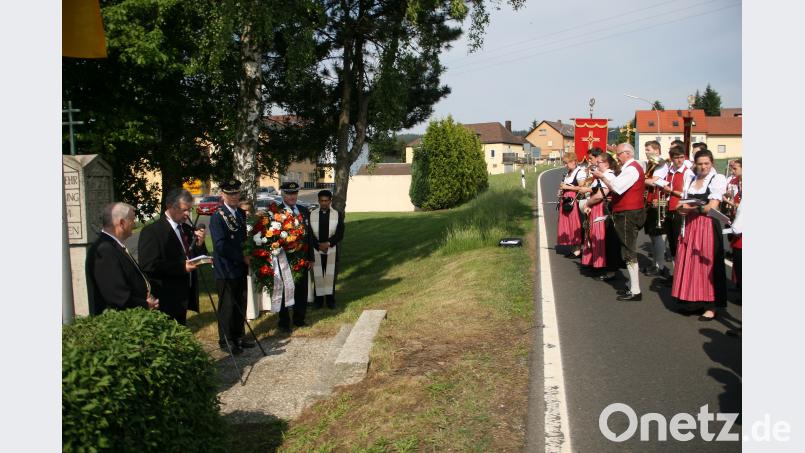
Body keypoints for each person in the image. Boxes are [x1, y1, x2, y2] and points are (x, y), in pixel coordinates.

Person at [671, 149, 728, 320]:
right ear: (695, 164)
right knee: (690, 262)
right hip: (690, 225)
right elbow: (682, 202)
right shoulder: (691, 177)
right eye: (700, 164)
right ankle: (693, 302)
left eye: (707, 164)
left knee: (707, 264)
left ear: (712, 164)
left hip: (707, 225)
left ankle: (711, 306)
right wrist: (682, 209)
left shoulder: (717, 179)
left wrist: (693, 208)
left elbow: (712, 206)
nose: (703, 167)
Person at [138, 189, 206, 325]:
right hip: (165, 297)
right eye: (184, 210)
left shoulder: (186, 229)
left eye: (189, 209)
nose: (187, 214)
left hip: (184, 295)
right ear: (170, 206)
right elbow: (148, 264)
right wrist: (181, 267)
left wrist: (199, 244)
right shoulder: (152, 231)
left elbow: (196, 254)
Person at [592, 143, 646, 301]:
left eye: (619, 154)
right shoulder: (631, 168)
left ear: (627, 153)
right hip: (627, 212)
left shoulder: (631, 169)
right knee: (626, 248)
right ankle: (632, 285)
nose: (617, 157)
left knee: (628, 250)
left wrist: (602, 176)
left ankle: (635, 290)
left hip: (628, 213)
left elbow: (617, 187)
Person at [87, 202, 159, 314]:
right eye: (132, 220)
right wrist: (145, 305)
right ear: (122, 223)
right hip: (118, 323)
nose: (134, 223)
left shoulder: (113, 245)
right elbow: (116, 295)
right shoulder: (105, 250)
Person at [209, 180, 254, 353]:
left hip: (240, 267)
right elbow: (220, 245)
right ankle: (226, 340)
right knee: (227, 306)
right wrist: (241, 257)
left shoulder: (240, 214)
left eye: (236, 193)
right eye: (230, 194)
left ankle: (239, 337)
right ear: (223, 195)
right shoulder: (218, 217)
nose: (234, 197)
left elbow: (243, 239)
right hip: (226, 268)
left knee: (240, 303)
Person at [275, 181, 312, 332]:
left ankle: (299, 319)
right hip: (284, 259)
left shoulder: (303, 210)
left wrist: (310, 257)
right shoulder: (276, 211)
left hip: (302, 257)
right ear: (283, 194)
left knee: (301, 289)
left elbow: (309, 236)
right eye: (289, 194)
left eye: (295, 193)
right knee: (284, 290)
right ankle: (284, 322)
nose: (292, 196)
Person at [580, 152, 624, 279]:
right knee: (593, 234)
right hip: (597, 207)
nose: (596, 164)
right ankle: (595, 262)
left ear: (606, 163)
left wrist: (587, 203)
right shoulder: (602, 175)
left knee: (600, 235)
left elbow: (600, 195)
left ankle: (601, 265)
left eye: (598, 162)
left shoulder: (608, 175)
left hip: (602, 208)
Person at [658, 146, 694, 276]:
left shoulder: (688, 172)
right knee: (673, 244)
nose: (679, 160)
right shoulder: (670, 171)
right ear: (671, 158)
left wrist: (671, 191)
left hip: (679, 210)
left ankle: (682, 275)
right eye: (676, 158)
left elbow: (688, 194)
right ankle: (676, 275)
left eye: (681, 157)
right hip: (669, 209)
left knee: (680, 243)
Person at [307, 190, 345, 309]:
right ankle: (318, 302)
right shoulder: (311, 214)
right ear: (318, 201)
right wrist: (318, 245)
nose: (324, 203)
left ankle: (330, 301)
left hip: (331, 249)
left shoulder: (337, 214)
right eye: (321, 201)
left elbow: (340, 233)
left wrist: (328, 243)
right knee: (318, 275)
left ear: (330, 201)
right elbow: (309, 234)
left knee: (330, 276)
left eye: (326, 201)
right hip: (316, 249)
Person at [642, 141, 670, 277]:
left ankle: (660, 265)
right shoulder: (650, 164)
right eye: (645, 149)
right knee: (653, 235)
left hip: (657, 201)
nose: (646, 152)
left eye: (648, 149)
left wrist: (640, 178)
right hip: (649, 200)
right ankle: (656, 263)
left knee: (657, 235)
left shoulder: (661, 164)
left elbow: (653, 181)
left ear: (657, 151)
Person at [556, 152, 586, 257]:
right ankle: (573, 247)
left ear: (573, 162)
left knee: (575, 224)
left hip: (574, 201)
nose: (565, 165)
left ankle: (577, 249)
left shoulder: (580, 172)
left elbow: (581, 188)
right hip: (566, 200)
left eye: (566, 163)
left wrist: (567, 187)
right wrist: (561, 192)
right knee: (567, 224)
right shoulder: (568, 173)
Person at [724, 159, 742, 287]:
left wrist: (728, 202)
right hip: (736, 219)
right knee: (737, 255)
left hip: (742, 224)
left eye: (735, 168)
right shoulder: (736, 182)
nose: (732, 171)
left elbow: (741, 205)